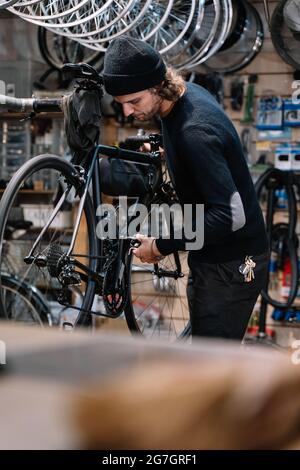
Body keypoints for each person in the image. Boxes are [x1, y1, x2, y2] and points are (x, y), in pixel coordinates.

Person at [103, 36, 269, 340]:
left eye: (134, 102)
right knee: (205, 357)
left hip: (233, 265)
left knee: (211, 367)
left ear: (156, 86)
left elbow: (230, 216)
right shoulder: (185, 96)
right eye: (121, 104)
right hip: (215, 258)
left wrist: (161, 245)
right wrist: (173, 151)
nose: (127, 112)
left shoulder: (195, 133)